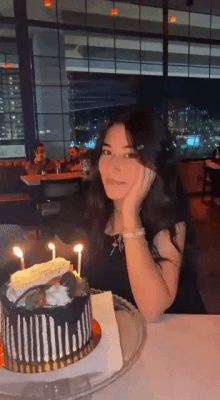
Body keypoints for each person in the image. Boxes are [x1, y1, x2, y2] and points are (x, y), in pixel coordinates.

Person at [55, 107, 206, 322]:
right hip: (108, 337)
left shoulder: (168, 217)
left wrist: (129, 213)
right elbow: (58, 274)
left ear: (153, 165)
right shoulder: (79, 209)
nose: (114, 166)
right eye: (107, 152)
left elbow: (152, 310)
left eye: (130, 154)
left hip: (169, 338)